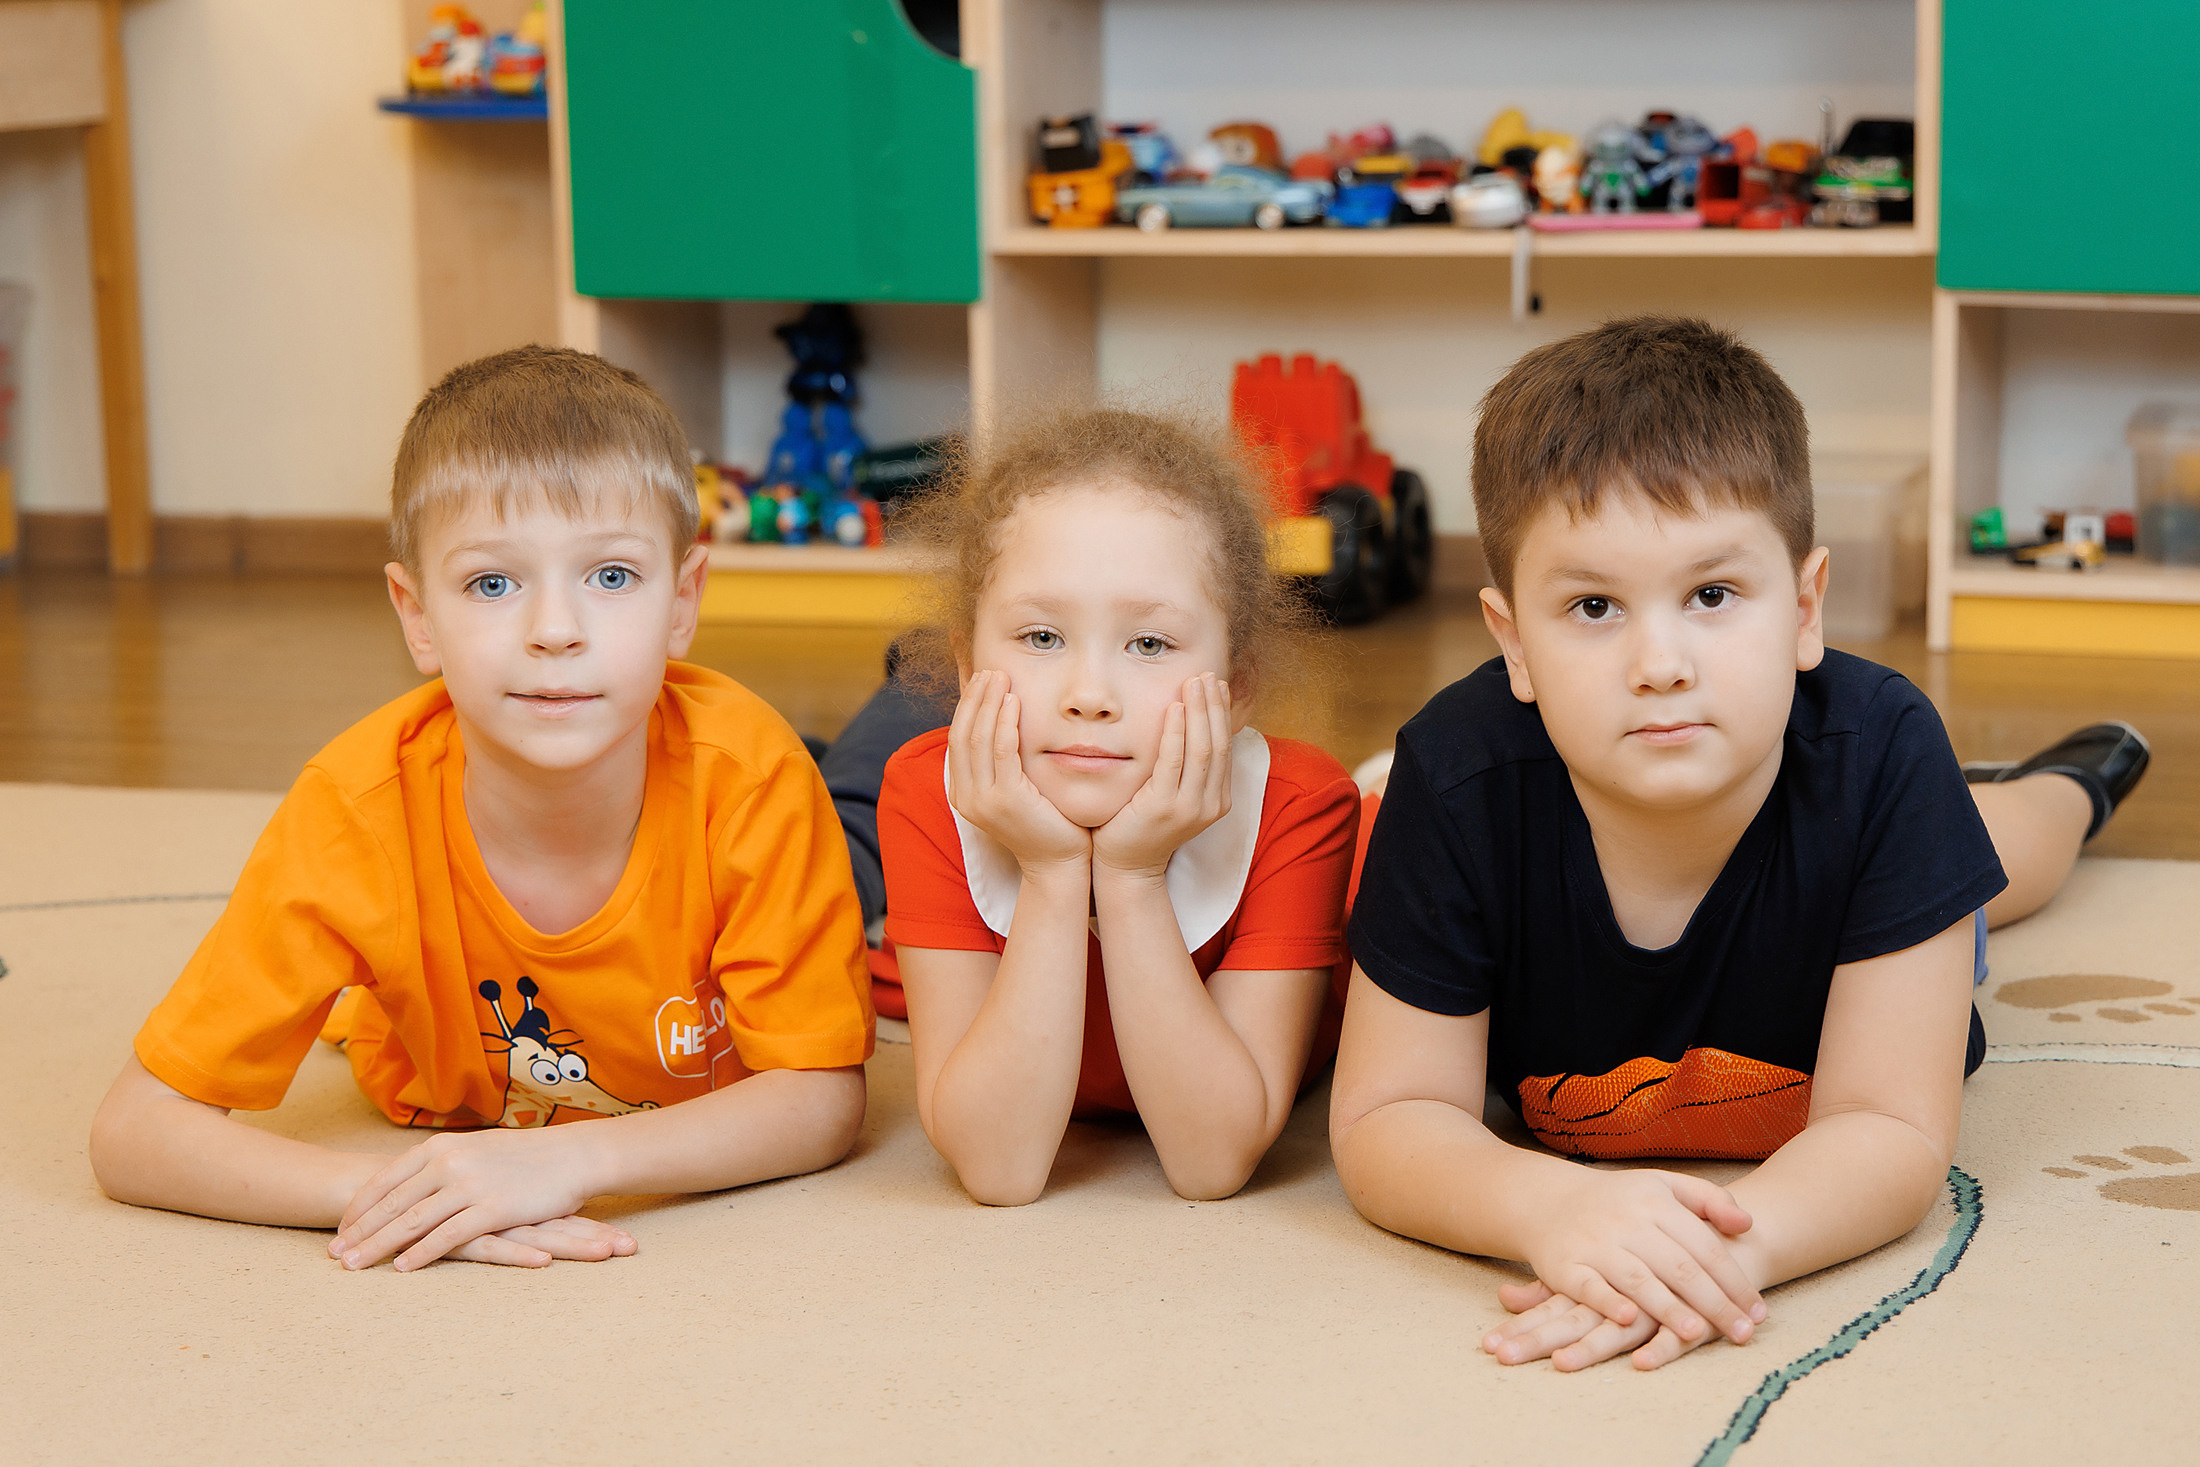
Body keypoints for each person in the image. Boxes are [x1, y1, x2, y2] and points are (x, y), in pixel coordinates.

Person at [1330, 317, 2148, 1373]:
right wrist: (1556, 1211)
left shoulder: (1885, 748)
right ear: (1511, 643)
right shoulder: (1452, 775)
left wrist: (1709, 1257)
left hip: (1861, 896)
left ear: (1806, 608)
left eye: (1711, 596)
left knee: (2011, 859)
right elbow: (1391, 1115)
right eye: (1592, 606)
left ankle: (2072, 783)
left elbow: (1890, 1131)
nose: (1660, 662)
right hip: (1724, 816)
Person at [89, 347, 875, 1271]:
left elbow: (821, 1097)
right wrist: (421, 1195)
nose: (555, 630)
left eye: (612, 576)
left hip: (777, 796)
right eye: (492, 583)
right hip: (432, 1050)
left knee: (889, 801)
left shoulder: (752, 772)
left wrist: (567, 1160)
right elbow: (132, 1130)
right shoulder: (354, 807)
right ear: (416, 614)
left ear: (683, 601)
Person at [878, 408, 1359, 1206]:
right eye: (1040, 637)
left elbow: (1210, 1161)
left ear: (1236, 688)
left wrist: (1130, 877)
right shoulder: (925, 792)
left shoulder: (1301, 808)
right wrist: (1054, 869)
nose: (1090, 696)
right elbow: (998, 1167)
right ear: (967, 665)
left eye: (1149, 644)